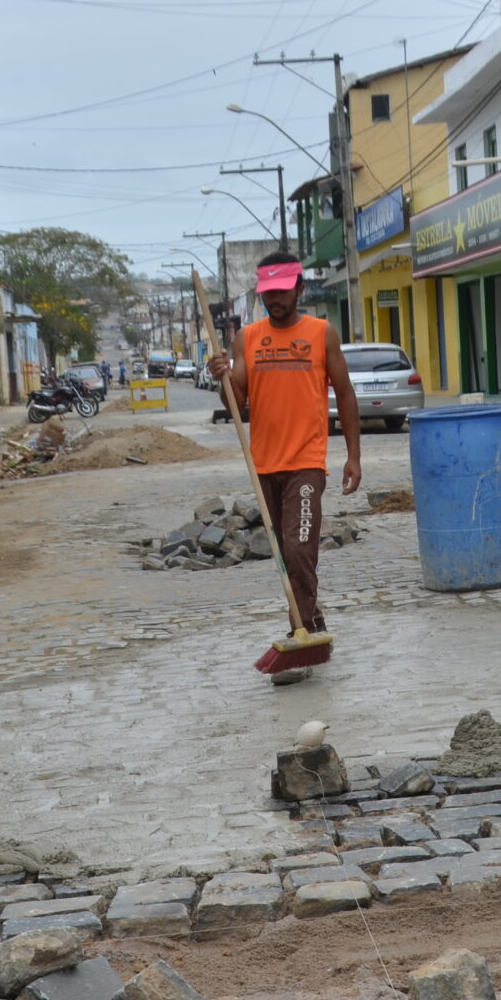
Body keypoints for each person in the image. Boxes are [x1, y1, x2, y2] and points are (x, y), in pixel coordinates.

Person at [204, 253, 361, 682]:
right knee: (283, 553)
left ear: (300, 290)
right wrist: (221, 378)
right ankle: (313, 615)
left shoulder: (321, 334)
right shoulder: (248, 339)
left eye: (283, 291)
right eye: (269, 293)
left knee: (298, 547)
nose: (275, 299)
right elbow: (236, 404)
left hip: (306, 462)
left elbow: (345, 394)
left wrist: (353, 455)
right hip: (265, 466)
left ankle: (304, 631)